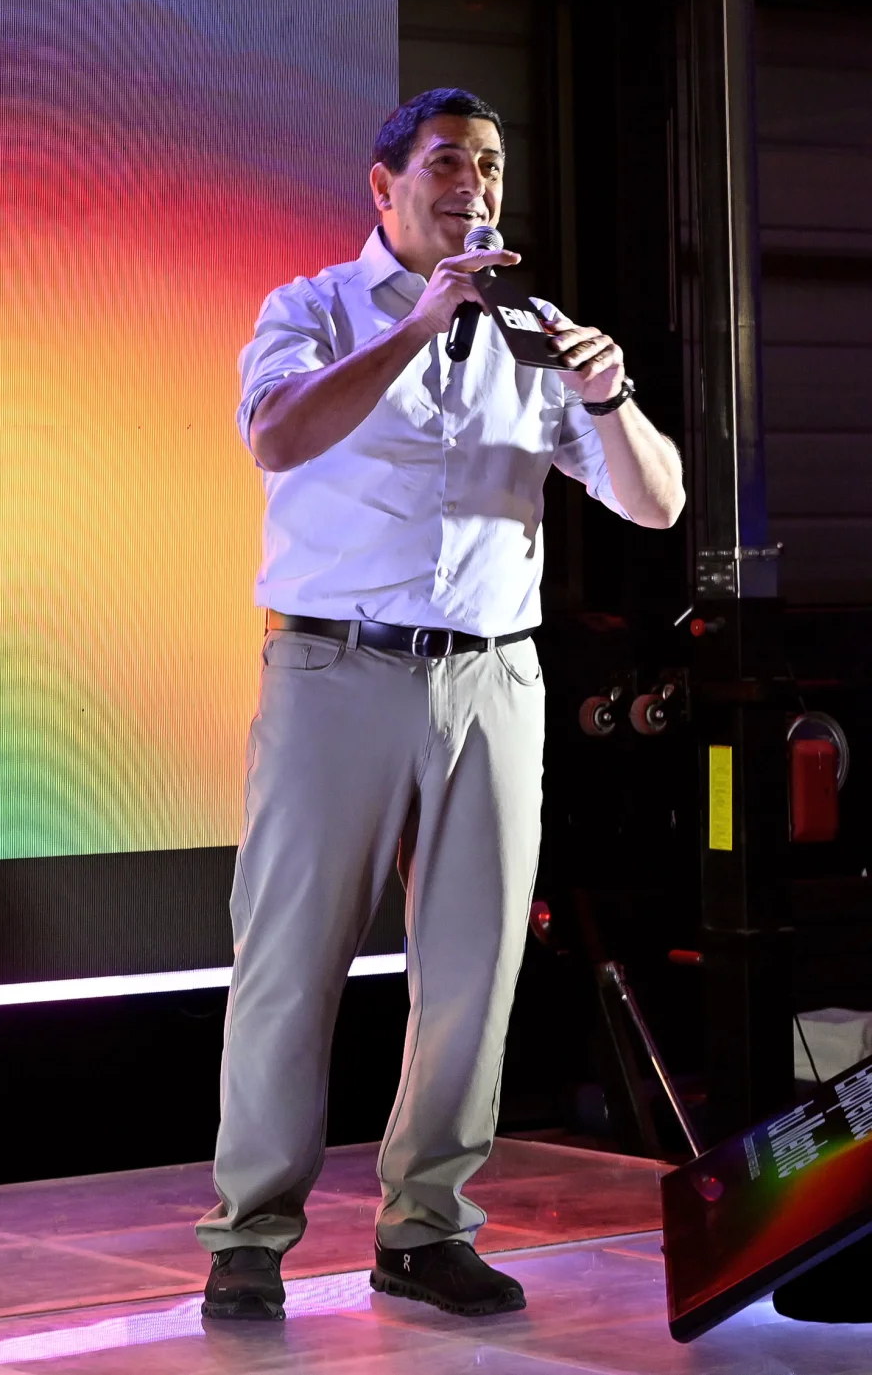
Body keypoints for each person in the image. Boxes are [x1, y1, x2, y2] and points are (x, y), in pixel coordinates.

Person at [196, 88, 684, 1321]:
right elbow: (275, 436)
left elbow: (657, 504)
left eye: (491, 165)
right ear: (385, 186)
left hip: (493, 676)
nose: (474, 186)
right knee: (290, 960)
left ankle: (424, 1228)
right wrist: (420, 324)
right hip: (336, 668)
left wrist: (608, 396)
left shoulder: (535, 329)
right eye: (447, 163)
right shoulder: (311, 307)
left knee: (474, 965)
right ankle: (249, 1235)